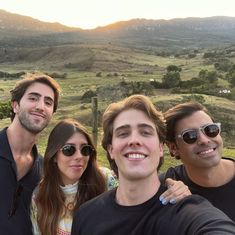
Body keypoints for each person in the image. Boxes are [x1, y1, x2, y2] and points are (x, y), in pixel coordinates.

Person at [71, 94, 235, 235]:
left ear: (160, 148)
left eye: (145, 132)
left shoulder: (188, 213)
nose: (134, 140)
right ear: (111, 149)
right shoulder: (85, 216)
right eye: (123, 133)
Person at [30, 119, 118, 235]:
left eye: (85, 149)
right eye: (69, 149)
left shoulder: (106, 180)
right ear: (54, 155)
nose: (79, 156)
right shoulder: (39, 197)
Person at [0, 73, 61, 235]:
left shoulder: (45, 172)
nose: (41, 106)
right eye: (33, 98)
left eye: (48, 102)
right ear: (15, 106)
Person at [159, 101, 235, 221]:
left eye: (210, 130)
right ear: (173, 147)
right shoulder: (166, 188)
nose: (204, 140)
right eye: (190, 136)